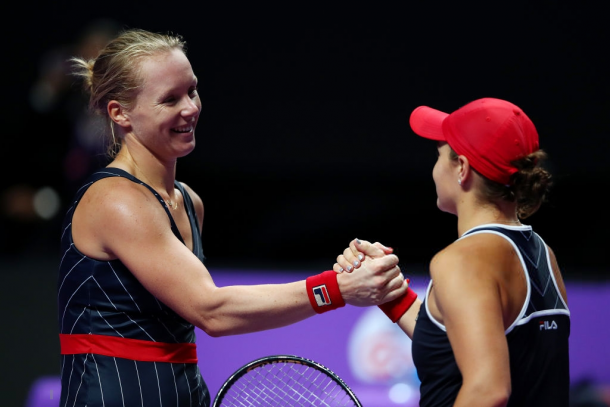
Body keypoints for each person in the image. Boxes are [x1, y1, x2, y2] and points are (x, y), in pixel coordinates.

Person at [57, 28, 408, 407]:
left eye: (191, 90)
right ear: (119, 112)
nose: (190, 108)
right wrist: (336, 289)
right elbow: (212, 310)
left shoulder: (190, 203)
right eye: (169, 99)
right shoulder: (115, 200)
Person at [336, 98, 570, 406]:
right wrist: (389, 293)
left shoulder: (462, 261)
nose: (434, 168)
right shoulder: (542, 253)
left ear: (461, 168)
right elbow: (458, 342)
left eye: (439, 155)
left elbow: (488, 390)